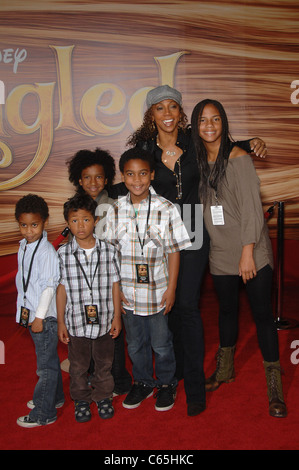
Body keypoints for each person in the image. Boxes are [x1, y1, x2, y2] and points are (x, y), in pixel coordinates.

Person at [110, 84, 267, 417]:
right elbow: (127, 182)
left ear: (181, 113)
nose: (167, 114)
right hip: (158, 235)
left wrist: (249, 143)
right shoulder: (144, 150)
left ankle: (194, 387)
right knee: (167, 306)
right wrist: (91, 196)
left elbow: (223, 145)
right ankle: (174, 374)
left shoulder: (194, 141)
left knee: (185, 305)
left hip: (196, 229)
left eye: (173, 107)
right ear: (151, 115)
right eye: (159, 108)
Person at [191, 98, 287, 418]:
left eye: (215, 119)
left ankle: (274, 386)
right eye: (203, 120)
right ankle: (224, 371)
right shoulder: (198, 161)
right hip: (220, 251)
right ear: (195, 125)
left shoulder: (240, 159)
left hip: (252, 251)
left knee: (261, 317)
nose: (209, 125)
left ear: (224, 123)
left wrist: (248, 253)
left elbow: (252, 210)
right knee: (227, 313)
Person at [104, 147, 192, 412]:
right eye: (130, 174)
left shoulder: (167, 209)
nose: (137, 180)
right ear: (122, 176)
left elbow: (174, 251)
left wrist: (172, 288)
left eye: (143, 173)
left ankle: (166, 384)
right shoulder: (115, 210)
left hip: (157, 293)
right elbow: (110, 258)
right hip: (128, 294)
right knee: (135, 344)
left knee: (162, 344)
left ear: (152, 174)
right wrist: (115, 295)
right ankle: (142, 382)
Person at [64, 148, 132, 395]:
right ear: (79, 180)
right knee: (86, 330)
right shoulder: (74, 206)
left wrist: (121, 286)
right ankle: (93, 374)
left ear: (107, 179)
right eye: (87, 177)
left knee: (112, 335)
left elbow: (123, 248)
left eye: (99, 177)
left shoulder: (115, 206)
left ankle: (119, 380)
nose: (93, 183)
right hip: (83, 283)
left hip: (108, 281)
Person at [56, 193, 122, 422]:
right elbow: (61, 289)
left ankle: (103, 395)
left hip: (104, 320)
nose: (80, 225)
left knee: (105, 364)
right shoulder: (63, 254)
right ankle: (81, 399)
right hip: (75, 322)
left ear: (95, 220)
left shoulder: (109, 250)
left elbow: (115, 284)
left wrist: (117, 317)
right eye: (74, 221)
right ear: (67, 223)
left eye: (85, 219)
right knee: (78, 366)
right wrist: (61, 321)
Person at [15, 194, 64, 428]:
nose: (28, 231)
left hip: (44, 319)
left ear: (44, 221)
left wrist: (38, 317)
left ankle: (44, 413)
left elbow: (48, 287)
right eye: (23, 225)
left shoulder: (46, 252)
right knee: (50, 361)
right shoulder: (24, 246)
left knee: (44, 368)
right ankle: (55, 398)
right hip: (34, 314)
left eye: (34, 225)